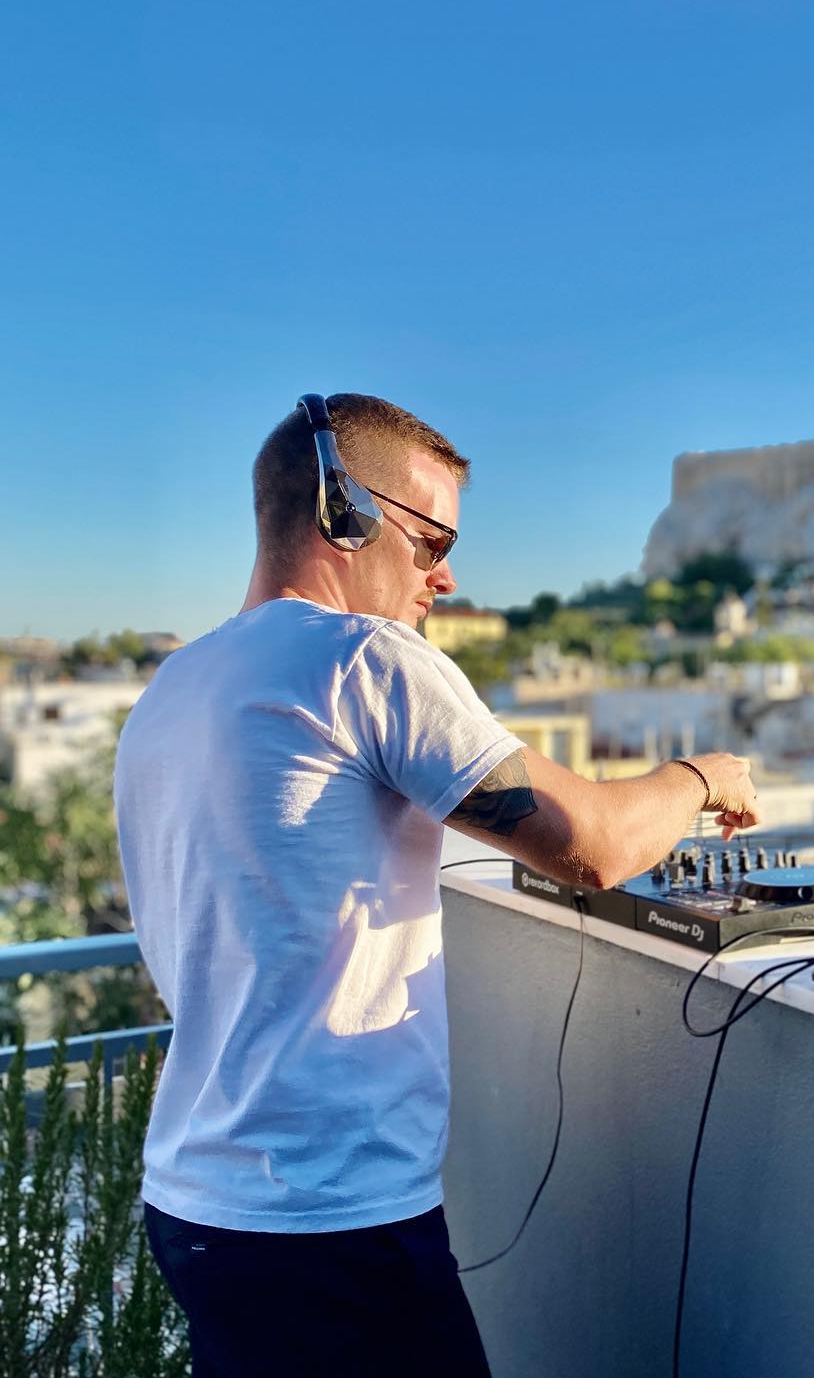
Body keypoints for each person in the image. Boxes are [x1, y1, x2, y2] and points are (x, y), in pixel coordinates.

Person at [114, 393, 762, 1377]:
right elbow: (592, 847)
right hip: (327, 1219)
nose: (446, 577)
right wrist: (704, 776)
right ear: (342, 511)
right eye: (433, 541)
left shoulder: (176, 686)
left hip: (200, 1201)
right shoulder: (367, 660)